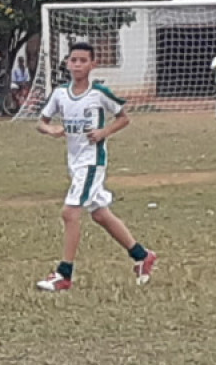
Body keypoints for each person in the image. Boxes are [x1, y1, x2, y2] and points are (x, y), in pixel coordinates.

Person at [35, 40, 157, 292]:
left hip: (92, 161)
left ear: (93, 64)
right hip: (74, 161)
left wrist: (103, 132)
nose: (77, 65)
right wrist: (52, 130)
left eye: (83, 60)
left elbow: (123, 118)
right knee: (100, 214)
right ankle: (142, 256)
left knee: (69, 213)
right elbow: (41, 122)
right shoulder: (60, 94)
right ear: (67, 63)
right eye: (73, 60)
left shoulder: (98, 93)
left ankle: (64, 274)